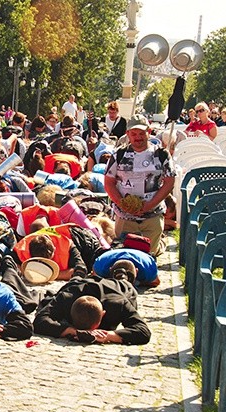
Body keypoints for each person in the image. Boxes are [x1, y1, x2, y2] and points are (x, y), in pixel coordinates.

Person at [104, 114, 176, 256]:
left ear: (148, 132)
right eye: (134, 133)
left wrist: (149, 204)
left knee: (149, 256)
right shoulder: (118, 155)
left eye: (142, 133)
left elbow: (169, 182)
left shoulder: (161, 155)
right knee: (125, 255)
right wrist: (122, 203)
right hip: (125, 217)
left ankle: (158, 249)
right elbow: (108, 183)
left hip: (152, 215)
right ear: (128, 134)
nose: (138, 137)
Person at [33, 260, 151, 345]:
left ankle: (122, 276)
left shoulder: (117, 303)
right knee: (75, 281)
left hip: (113, 288)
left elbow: (143, 332)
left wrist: (108, 336)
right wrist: (72, 331)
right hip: (79, 286)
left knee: (127, 287)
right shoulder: (67, 297)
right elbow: (39, 321)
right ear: (103, 314)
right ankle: (78, 275)